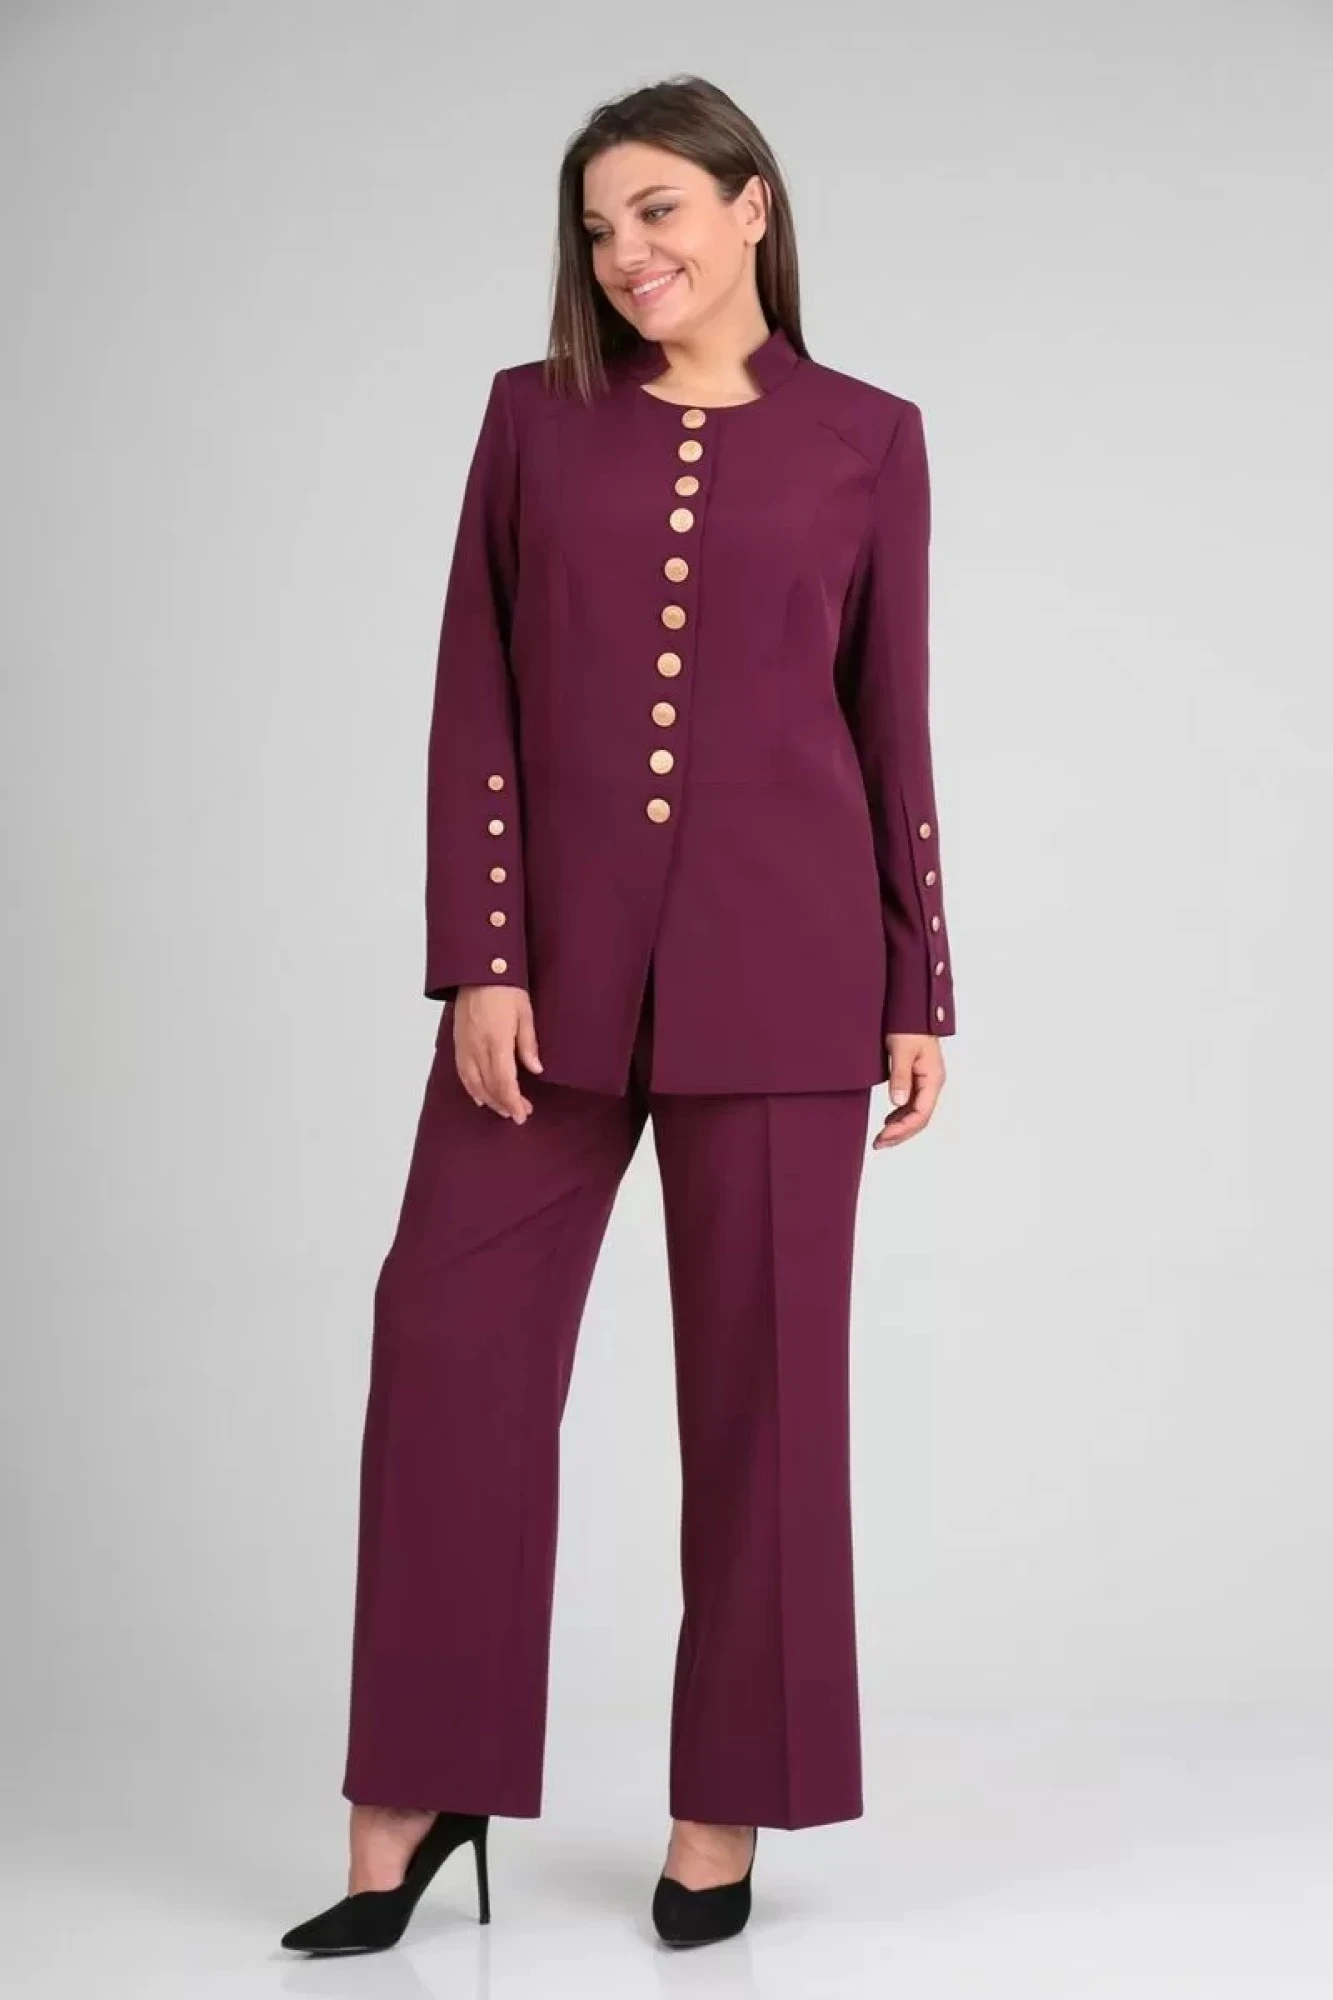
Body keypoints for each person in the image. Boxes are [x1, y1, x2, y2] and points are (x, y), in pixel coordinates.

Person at [280, 69, 956, 1958]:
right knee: (446, 1342)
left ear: (752, 206)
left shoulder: (868, 438)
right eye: (596, 227)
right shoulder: (533, 422)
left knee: (763, 1396)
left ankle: (721, 1806)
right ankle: (416, 1791)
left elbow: (891, 725)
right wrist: (481, 956)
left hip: (792, 972)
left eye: (657, 209)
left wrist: (920, 982)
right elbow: (473, 696)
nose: (625, 252)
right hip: (549, 980)